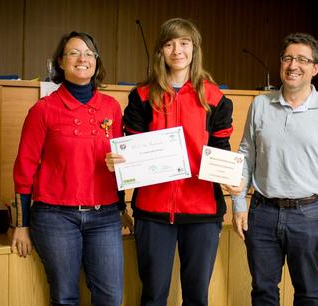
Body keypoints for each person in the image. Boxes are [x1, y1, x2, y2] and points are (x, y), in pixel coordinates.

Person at [106, 18, 233, 306]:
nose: (177, 50)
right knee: (152, 296)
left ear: (194, 49)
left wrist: (231, 176)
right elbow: (132, 152)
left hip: (203, 211)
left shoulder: (215, 98)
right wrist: (121, 161)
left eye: (184, 43)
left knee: (197, 297)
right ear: (160, 51)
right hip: (153, 212)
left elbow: (221, 149)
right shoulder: (141, 96)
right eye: (169, 43)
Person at [225, 33, 318, 305]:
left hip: (309, 215)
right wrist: (238, 204)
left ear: (315, 68)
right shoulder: (260, 104)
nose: (293, 65)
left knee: (308, 292)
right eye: (287, 58)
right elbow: (246, 156)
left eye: (302, 60)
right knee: (263, 291)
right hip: (262, 214)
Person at [10, 31, 130, 306]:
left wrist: (122, 209)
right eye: (74, 53)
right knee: (65, 297)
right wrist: (21, 224)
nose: (82, 58)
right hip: (55, 218)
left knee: (111, 297)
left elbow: (119, 163)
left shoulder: (111, 108)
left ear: (96, 63)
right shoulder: (44, 109)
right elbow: (24, 169)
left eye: (89, 53)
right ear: (61, 62)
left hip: (105, 217)